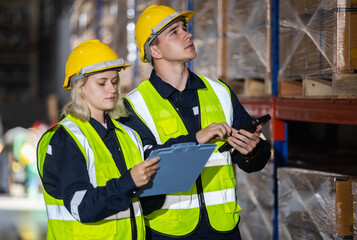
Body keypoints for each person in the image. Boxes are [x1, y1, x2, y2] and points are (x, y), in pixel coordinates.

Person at [120, 4, 271, 240]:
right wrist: (196, 140)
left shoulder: (219, 91)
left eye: (184, 28)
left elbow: (255, 160)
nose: (187, 34)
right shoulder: (134, 106)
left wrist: (252, 150)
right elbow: (142, 168)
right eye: (174, 32)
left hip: (224, 228)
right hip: (168, 232)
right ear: (155, 51)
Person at [37, 39, 160, 240]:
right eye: (102, 83)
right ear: (80, 87)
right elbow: (81, 207)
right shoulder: (66, 139)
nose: (112, 89)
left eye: (114, 82)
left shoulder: (127, 135)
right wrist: (129, 182)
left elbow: (140, 204)